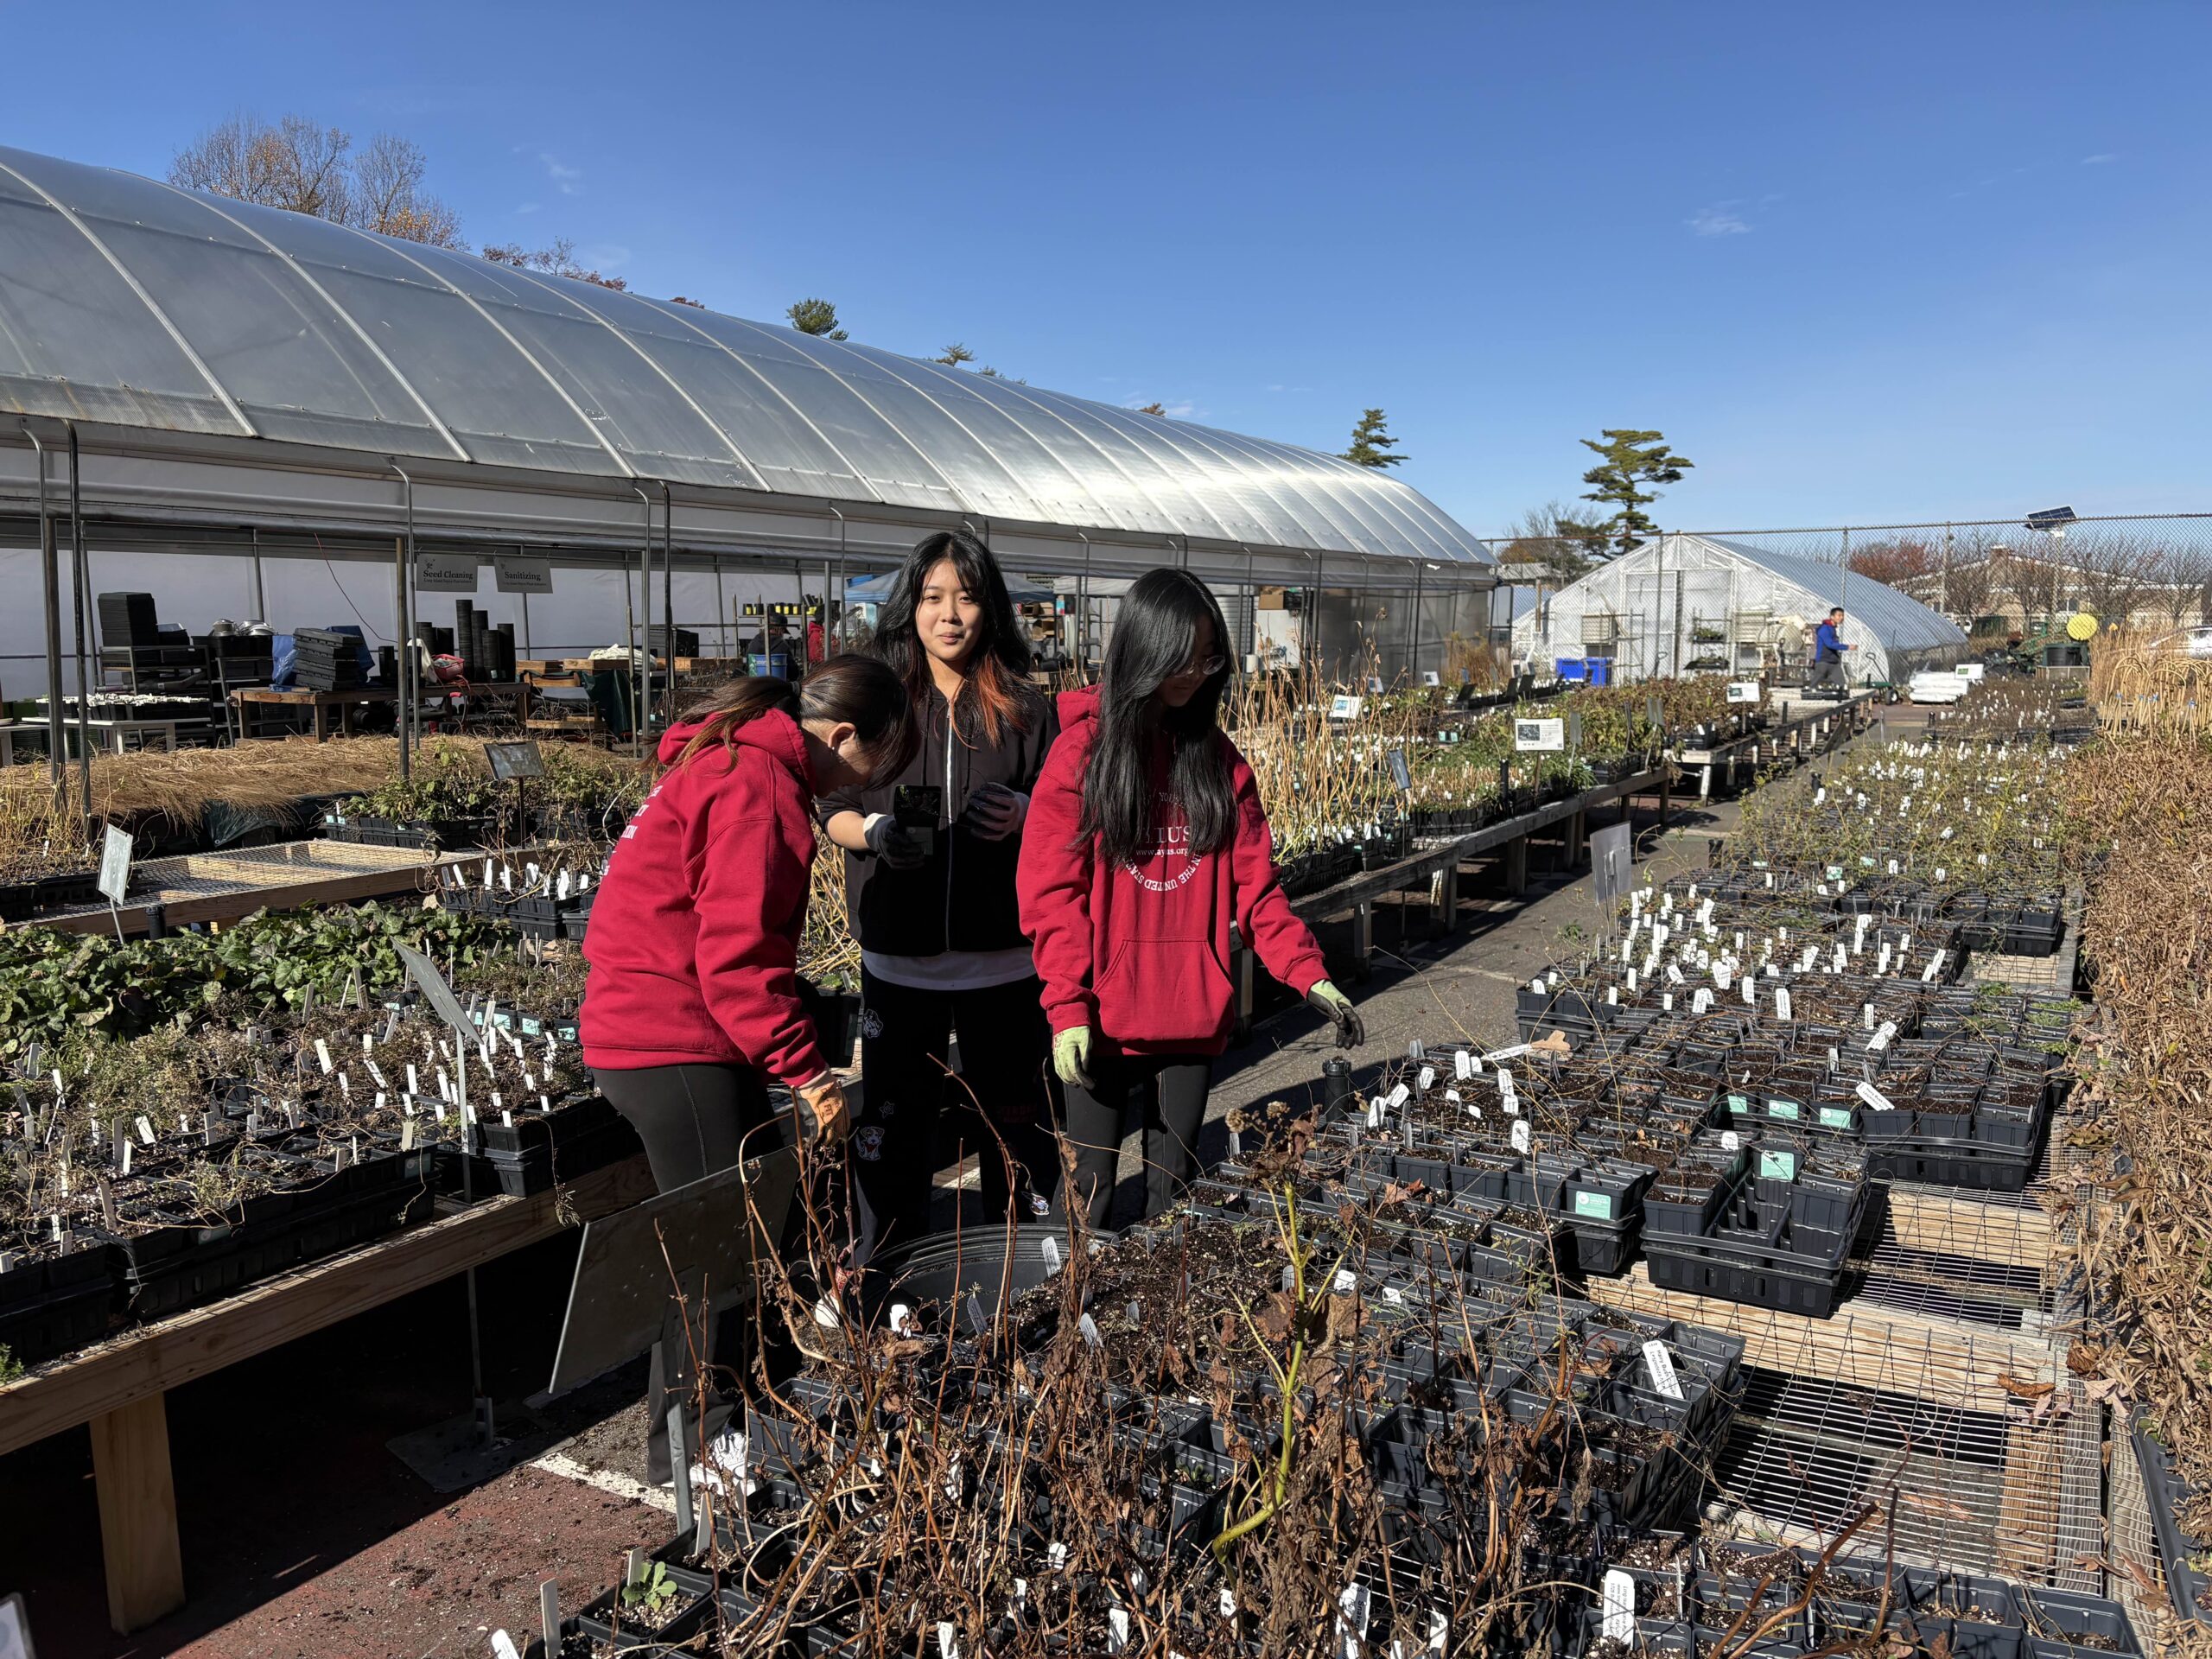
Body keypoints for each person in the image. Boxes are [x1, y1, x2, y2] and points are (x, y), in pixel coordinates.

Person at [581, 655, 916, 1480]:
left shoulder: (728, 756)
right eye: (876, 764)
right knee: (717, 1252)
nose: (869, 785)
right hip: (670, 1037)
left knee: (752, 1220)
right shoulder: (760, 788)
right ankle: (697, 1450)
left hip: (652, 1026)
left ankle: (754, 1399)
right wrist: (808, 1071)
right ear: (842, 736)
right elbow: (737, 962)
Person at [1018, 567, 1366, 1228]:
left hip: (1189, 1017)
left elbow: (1257, 891)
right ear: (1143, 648)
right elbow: (1052, 894)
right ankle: (1070, 1296)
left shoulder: (1219, 762)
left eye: (1208, 657)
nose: (1194, 673)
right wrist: (1066, 1006)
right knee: (1088, 1191)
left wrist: (1311, 975)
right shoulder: (1082, 756)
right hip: (1100, 1018)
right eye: (1181, 656)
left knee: (1173, 1192)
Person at [821, 531, 1062, 1259]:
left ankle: (1022, 1271)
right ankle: (886, 1275)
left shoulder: (1024, 707)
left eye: (966, 597)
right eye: (932, 597)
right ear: (910, 605)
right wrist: (873, 831)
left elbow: (1064, 806)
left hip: (1004, 965)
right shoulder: (880, 702)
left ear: (991, 608)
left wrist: (1024, 812)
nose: (949, 615)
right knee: (894, 1131)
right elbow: (831, 803)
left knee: (1015, 1133)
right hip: (900, 965)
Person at [1810, 606, 1853, 692]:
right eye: (1839, 615)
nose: (1841, 618)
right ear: (1832, 617)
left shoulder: (1832, 629)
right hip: (1823, 661)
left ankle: (1842, 696)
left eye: (1842, 616)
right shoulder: (1825, 629)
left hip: (1834, 663)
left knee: (1843, 686)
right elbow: (1830, 644)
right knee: (1814, 685)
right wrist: (1847, 647)